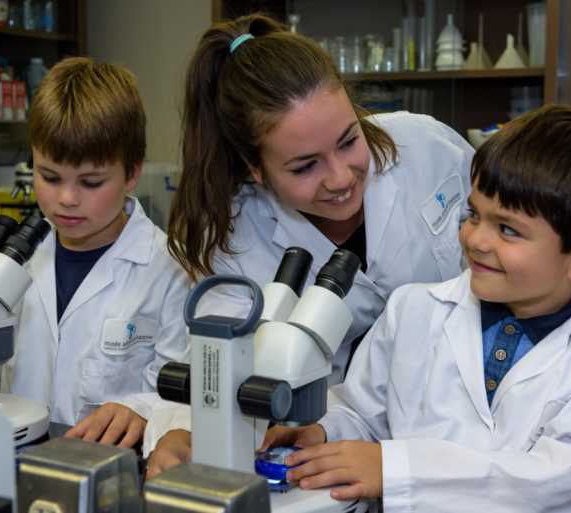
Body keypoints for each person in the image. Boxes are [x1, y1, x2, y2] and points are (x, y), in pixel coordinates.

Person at [261, 104, 571, 512]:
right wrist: (325, 433)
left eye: (507, 229)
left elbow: (566, 476)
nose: (475, 239)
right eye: (473, 214)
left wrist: (396, 471)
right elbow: (362, 413)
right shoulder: (412, 309)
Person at [143, 13, 474, 476]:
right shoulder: (234, 239)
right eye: (304, 166)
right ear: (254, 168)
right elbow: (217, 361)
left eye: (349, 140)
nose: (340, 178)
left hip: (472, 421)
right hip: (336, 438)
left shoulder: (427, 147)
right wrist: (180, 432)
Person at [0, 57, 191, 449]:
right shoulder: (17, 257)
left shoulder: (171, 271)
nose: (67, 198)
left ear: (132, 173)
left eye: (91, 182)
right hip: (15, 458)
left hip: (113, 466)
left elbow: (187, 394)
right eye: (49, 176)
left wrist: (141, 409)